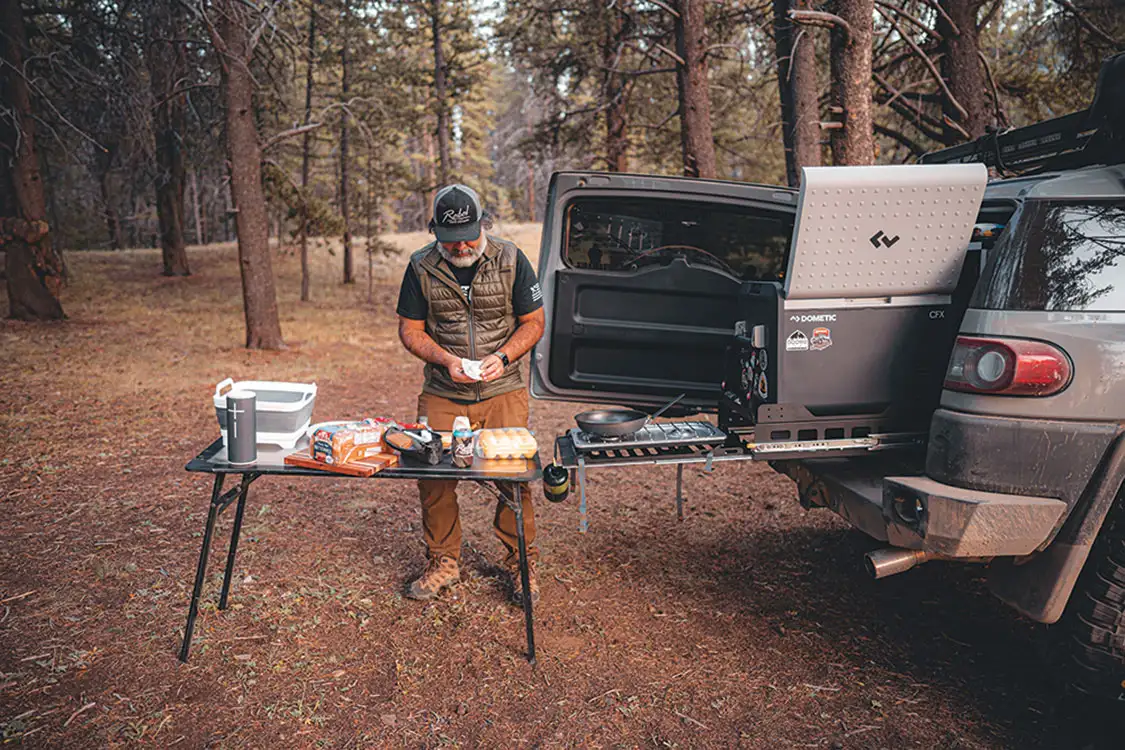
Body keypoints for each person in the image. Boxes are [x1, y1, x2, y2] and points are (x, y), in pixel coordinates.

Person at [395, 183, 546, 604]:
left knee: (512, 476)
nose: (460, 246)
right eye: (448, 239)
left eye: (469, 236)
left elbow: (534, 322)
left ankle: (521, 562)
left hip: (503, 387)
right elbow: (410, 330)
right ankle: (444, 561)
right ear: (434, 232)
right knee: (433, 475)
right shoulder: (421, 266)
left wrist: (506, 354)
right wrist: (446, 360)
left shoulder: (511, 258)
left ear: (485, 224)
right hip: (444, 389)